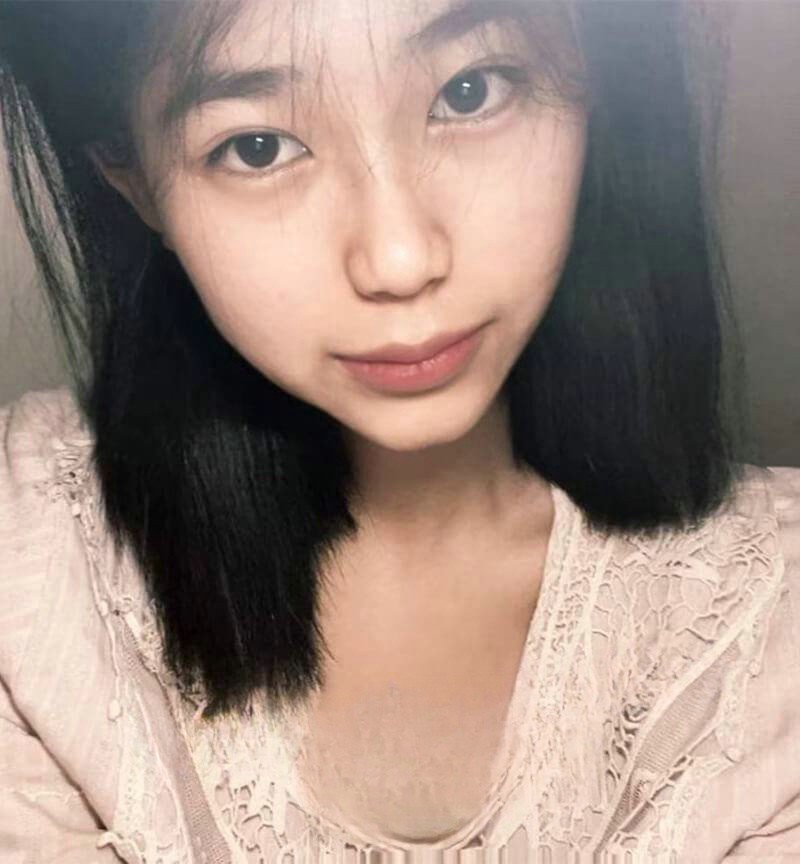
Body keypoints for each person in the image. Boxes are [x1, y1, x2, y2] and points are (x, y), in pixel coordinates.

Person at [0, 0, 798, 860]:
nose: (400, 260)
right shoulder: (32, 559)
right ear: (135, 183)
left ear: (595, 82)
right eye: (257, 147)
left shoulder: (770, 623)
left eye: (470, 91)